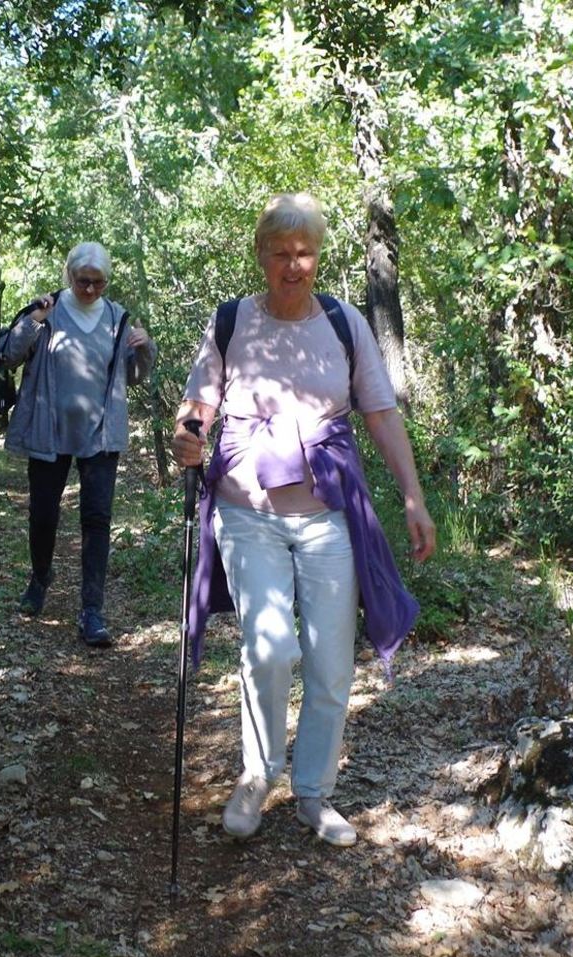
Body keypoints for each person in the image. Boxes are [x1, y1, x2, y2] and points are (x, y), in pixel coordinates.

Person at [171, 193, 435, 846]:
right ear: (260, 256)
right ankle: (257, 775)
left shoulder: (344, 324)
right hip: (246, 513)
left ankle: (314, 792)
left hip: (326, 516)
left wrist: (412, 496)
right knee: (267, 647)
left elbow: (380, 413)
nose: (294, 265)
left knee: (330, 664)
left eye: (305, 253)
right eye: (281, 253)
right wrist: (186, 436)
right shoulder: (232, 321)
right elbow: (198, 404)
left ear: (317, 256)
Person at [0, 242, 155, 647]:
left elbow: (132, 378)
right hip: (48, 431)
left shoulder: (118, 318)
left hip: (100, 435)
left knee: (97, 519)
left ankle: (92, 610)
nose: (90, 289)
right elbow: (9, 356)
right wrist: (32, 322)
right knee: (43, 513)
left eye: (98, 283)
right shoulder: (48, 310)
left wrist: (145, 349)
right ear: (69, 275)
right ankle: (39, 578)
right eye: (83, 281)